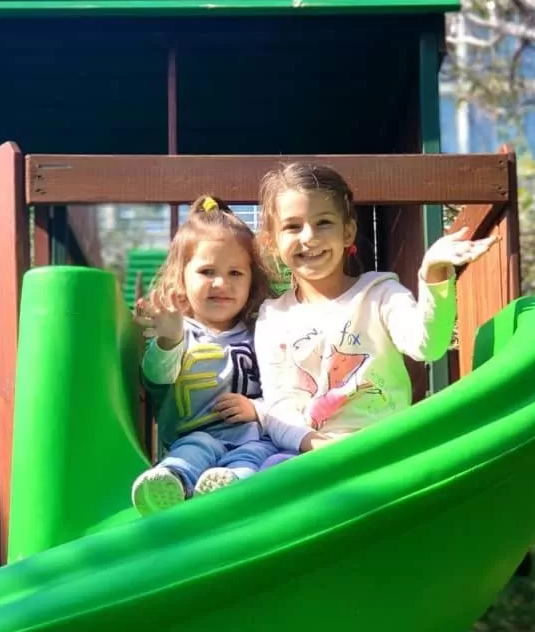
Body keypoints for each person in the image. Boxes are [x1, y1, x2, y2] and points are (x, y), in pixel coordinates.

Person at [252, 161, 497, 464]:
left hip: (386, 451)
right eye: (292, 226)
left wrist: (433, 274)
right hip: (313, 455)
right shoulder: (274, 317)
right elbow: (280, 404)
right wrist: (316, 445)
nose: (309, 237)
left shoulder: (381, 294)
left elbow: (428, 345)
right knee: (269, 470)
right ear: (271, 242)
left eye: (323, 222)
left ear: (348, 232)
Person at [131, 195, 279, 515]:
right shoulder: (178, 329)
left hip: (250, 438)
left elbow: (285, 391)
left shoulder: (263, 331)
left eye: (236, 273)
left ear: (252, 280)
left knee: (253, 457)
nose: (221, 283)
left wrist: (256, 408)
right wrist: (169, 339)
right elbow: (157, 377)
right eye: (207, 270)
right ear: (182, 276)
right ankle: (169, 484)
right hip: (192, 435)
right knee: (191, 452)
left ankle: (232, 485)